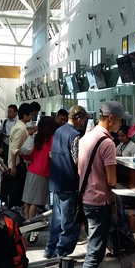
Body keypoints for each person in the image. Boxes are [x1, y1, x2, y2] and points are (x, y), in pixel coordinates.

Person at [77, 101, 131, 268]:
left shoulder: (85, 138)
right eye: (120, 120)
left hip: (86, 199)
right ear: (111, 118)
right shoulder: (107, 143)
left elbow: (79, 170)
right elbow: (112, 180)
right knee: (94, 252)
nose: (120, 125)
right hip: (99, 202)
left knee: (94, 249)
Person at [44, 105, 87, 259]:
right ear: (79, 119)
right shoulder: (75, 135)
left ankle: (50, 249)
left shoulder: (58, 131)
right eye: (83, 120)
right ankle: (60, 254)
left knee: (57, 220)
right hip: (69, 183)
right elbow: (77, 160)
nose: (83, 124)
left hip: (56, 182)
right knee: (70, 223)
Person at [21, 116, 55, 220]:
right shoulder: (52, 139)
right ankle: (31, 223)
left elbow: (28, 154)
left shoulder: (36, 138)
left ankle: (26, 221)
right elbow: (52, 156)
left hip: (31, 170)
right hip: (42, 173)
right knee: (35, 202)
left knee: (27, 201)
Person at [3, 103, 34, 208]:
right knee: (16, 191)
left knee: (17, 190)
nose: (31, 117)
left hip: (17, 163)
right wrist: (14, 168)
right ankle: (13, 212)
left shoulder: (20, 126)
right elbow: (14, 149)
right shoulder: (21, 129)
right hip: (17, 163)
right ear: (25, 115)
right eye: (30, 115)